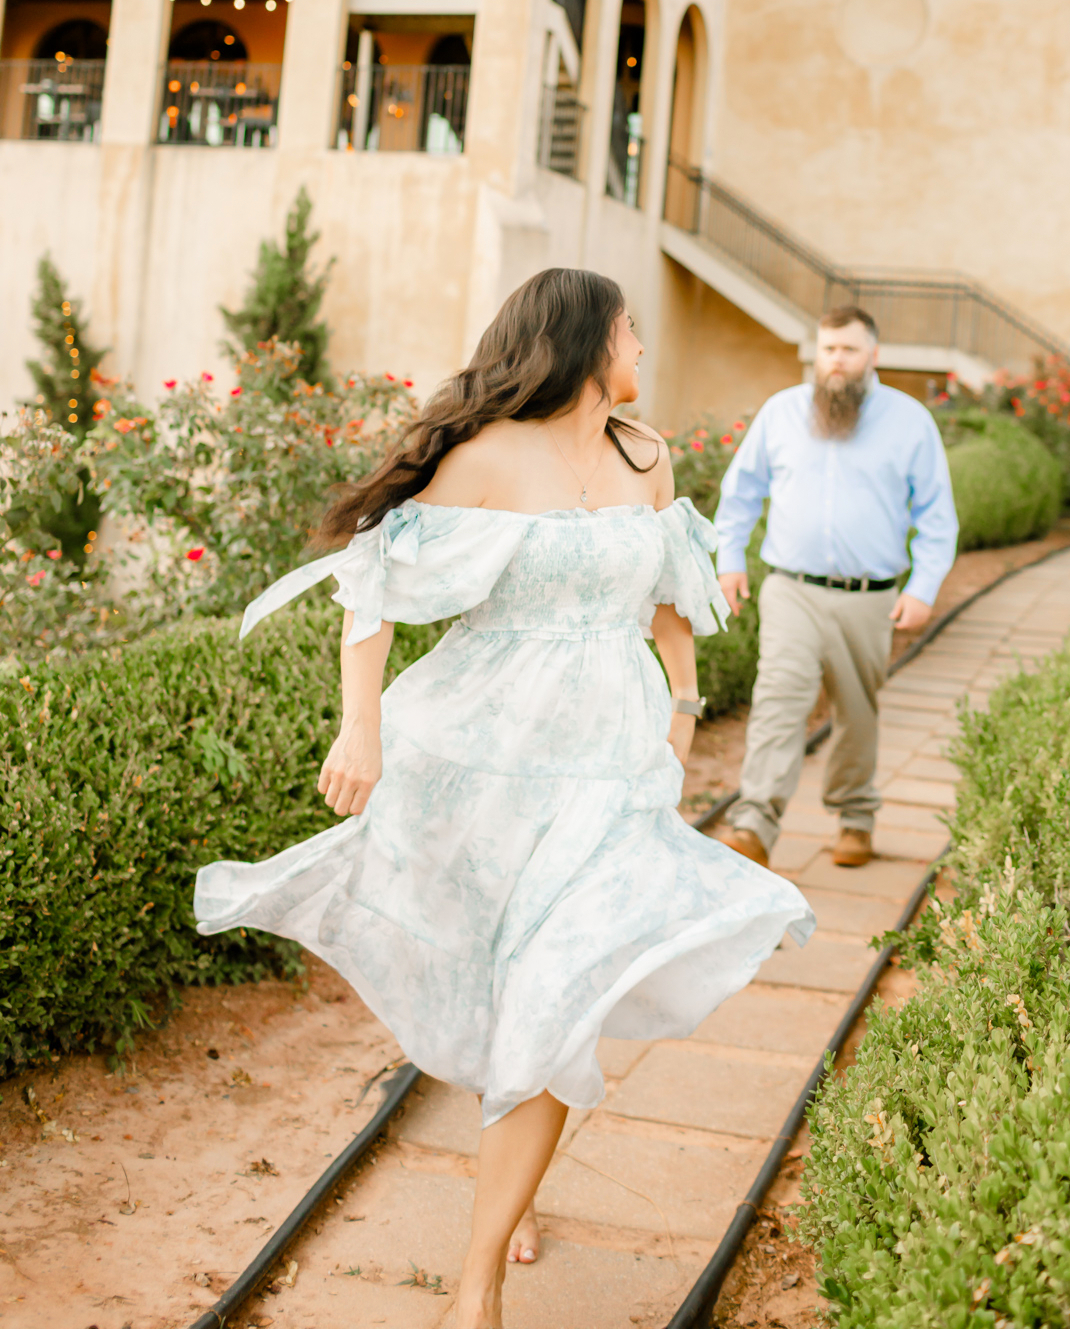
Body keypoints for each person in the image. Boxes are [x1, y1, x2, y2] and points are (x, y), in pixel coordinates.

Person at [194, 269, 813, 1329]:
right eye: (629, 329)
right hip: (485, 751)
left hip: (610, 761)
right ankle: (511, 1186)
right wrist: (360, 726)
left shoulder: (646, 455)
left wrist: (684, 706)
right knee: (506, 981)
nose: (641, 348)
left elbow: (670, 596)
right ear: (584, 341)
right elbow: (372, 587)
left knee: (565, 982)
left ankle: (475, 1283)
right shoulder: (481, 457)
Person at [712, 305, 958, 871]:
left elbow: (937, 515)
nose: (837, 360)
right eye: (828, 349)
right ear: (816, 354)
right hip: (791, 589)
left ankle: (855, 819)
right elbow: (740, 492)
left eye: (849, 349)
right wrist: (730, 560)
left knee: (856, 711)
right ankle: (754, 825)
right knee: (778, 699)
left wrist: (923, 588)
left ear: (873, 355)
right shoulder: (781, 413)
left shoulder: (910, 422)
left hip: (869, 597)